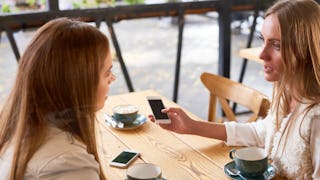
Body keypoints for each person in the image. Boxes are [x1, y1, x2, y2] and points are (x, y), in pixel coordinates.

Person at [149, 0, 320, 179]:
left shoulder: (315, 118)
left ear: (306, 51)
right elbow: (259, 133)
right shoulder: (285, 94)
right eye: (263, 40)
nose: (262, 54)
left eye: (277, 45)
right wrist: (191, 126)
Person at [0, 18, 115, 179]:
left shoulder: (14, 127)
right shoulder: (69, 165)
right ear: (77, 82)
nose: (113, 78)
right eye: (107, 72)